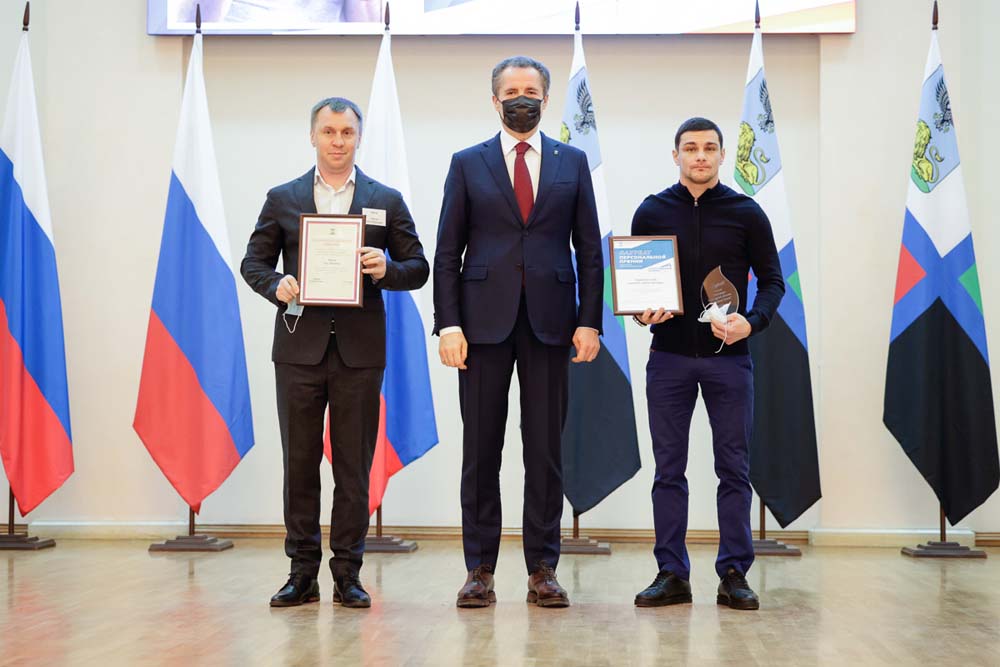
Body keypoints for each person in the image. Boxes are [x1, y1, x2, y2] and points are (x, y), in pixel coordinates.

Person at [241, 97, 428, 609]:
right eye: (329, 132)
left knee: (353, 467)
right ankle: (301, 573)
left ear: (358, 138)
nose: (338, 141)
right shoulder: (283, 198)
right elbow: (253, 263)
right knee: (299, 465)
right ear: (313, 136)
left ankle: (348, 573)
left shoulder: (384, 199)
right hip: (297, 350)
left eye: (347, 132)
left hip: (359, 353)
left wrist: (386, 269)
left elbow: (418, 267)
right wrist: (276, 285)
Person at [433, 55, 604, 609]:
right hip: (480, 328)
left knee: (545, 451)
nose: (521, 99)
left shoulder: (572, 162)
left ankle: (543, 569)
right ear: (495, 100)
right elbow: (447, 251)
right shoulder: (467, 163)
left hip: (552, 325)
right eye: (511, 92)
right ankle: (479, 569)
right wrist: (448, 324)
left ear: (546, 99)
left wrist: (589, 321)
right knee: (481, 451)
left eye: (531, 91)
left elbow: (589, 250)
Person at [630, 117, 784, 611]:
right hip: (668, 359)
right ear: (675, 155)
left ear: (721, 155)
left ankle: (734, 574)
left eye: (710, 148)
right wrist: (642, 314)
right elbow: (638, 286)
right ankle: (671, 573)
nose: (700, 156)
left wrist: (751, 323)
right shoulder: (651, 210)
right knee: (668, 470)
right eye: (691, 148)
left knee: (734, 469)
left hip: (729, 361)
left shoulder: (746, 212)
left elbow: (774, 281)